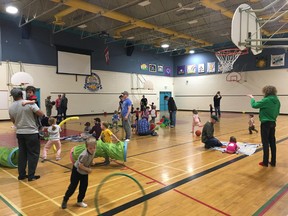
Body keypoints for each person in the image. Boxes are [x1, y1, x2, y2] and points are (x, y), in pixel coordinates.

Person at [9, 88, 44, 181]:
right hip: (31, 133)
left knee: (22, 154)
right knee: (33, 154)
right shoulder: (29, 103)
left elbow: (13, 121)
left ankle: (21, 175)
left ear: (13, 97)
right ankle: (31, 176)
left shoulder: (11, 107)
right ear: (22, 94)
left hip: (20, 133)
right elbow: (41, 114)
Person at [247, 85, 280, 167]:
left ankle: (265, 162)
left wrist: (252, 98)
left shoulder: (266, 100)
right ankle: (273, 161)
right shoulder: (277, 101)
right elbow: (277, 112)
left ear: (266, 92)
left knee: (265, 142)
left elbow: (254, 105)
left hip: (265, 123)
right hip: (273, 122)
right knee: (272, 142)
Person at [61, 137, 96, 209]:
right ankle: (65, 199)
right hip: (77, 171)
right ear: (87, 147)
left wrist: (91, 162)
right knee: (73, 187)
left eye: (94, 147)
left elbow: (91, 157)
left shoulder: (94, 151)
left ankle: (79, 201)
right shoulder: (84, 155)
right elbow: (80, 166)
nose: (92, 150)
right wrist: (88, 169)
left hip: (84, 172)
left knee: (84, 187)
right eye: (90, 148)